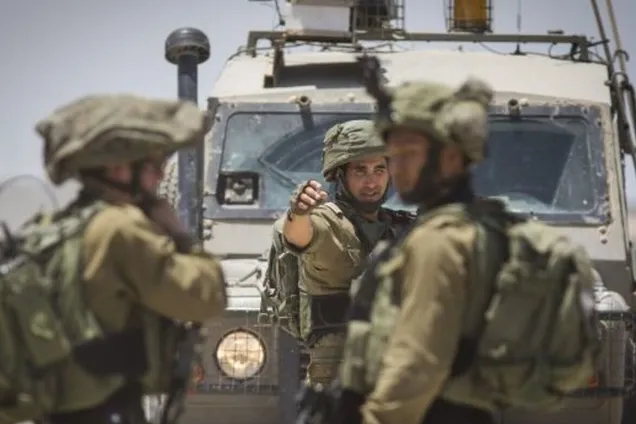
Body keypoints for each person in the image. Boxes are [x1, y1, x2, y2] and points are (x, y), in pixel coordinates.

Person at [336, 77, 598, 424]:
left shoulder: (439, 241)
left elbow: (418, 364)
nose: (396, 168)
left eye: (409, 154)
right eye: (393, 155)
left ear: (451, 158)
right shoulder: (480, 226)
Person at [2, 94, 227, 424]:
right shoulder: (119, 228)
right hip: (107, 411)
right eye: (152, 166)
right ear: (118, 168)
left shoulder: (59, 226)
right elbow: (206, 297)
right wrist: (180, 235)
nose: (159, 177)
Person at [268, 119, 415, 386]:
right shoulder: (327, 223)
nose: (371, 181)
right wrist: (299, 213)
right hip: (338, 380)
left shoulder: (401, 226)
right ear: (340, 175)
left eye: (379, 170)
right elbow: (300, 236)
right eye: (360, 171)